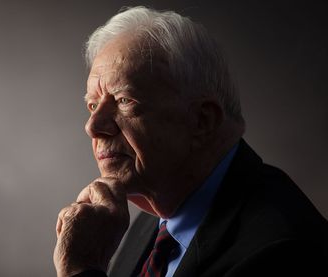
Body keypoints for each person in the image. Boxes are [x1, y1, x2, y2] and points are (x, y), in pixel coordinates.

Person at [53, 6, 328, 277]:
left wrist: (82, 270)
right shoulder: (156, 211)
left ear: (202, 121)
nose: (93, 127)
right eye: (92, 105)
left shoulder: (282, 252)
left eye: (125, 101)